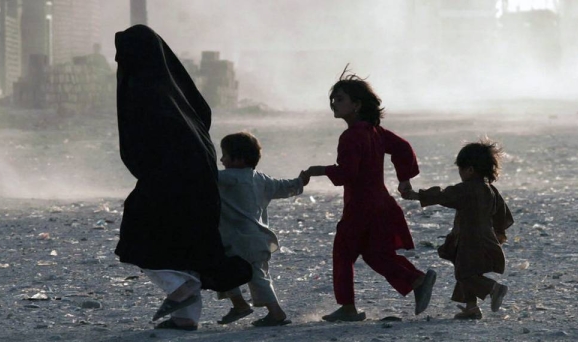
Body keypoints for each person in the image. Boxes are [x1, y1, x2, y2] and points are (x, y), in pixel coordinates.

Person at [114, 24, 251, 331]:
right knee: (186, 241)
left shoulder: (145, 90)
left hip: (170, 177)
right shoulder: (175, 92)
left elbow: (143, 141)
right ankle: (185, 318)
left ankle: (180, 289)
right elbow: (202, 116)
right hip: (199, 178)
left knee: (137, 233)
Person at [303, 68, 436, 322]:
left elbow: (347, 174)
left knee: (343, 253)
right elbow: (403, 148)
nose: (334, 103)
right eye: (333, 99)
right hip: (382, 204)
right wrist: (404, 179)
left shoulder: (352, 136)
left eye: (340, 99)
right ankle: (417, 280)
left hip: (361, 207)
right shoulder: (375, 131)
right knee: (377, 254)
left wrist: (318, 170)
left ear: (357, 104)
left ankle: (348, 307)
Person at [401, 139, 513, 319]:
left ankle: (493, 289)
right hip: (485, 238)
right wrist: (499, 233)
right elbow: (502, 214)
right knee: (470, 272)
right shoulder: (491, 190)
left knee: (465, 274)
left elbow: (444, 195)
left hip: (470, 240)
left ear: (469, 170)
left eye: (460, 169)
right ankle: (471, 308)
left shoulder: (467, 189)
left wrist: (416, 195)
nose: (459, 174)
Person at [216, 132, 308, 327]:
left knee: (225, 271)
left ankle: (269, 311)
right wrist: (300, 181)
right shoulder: (261, 179)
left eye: (224, 155)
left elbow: (200, 180)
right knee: (258, 276)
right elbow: (284, 187)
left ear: (238, 159)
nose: (221, 159)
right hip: (258, 239)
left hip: (237, 240)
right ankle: (253, 307)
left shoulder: (226, 178)